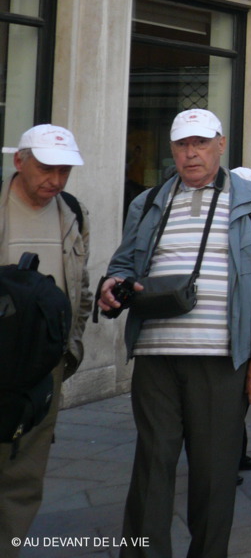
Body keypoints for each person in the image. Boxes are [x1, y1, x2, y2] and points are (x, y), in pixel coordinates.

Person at [98, 108, 251, 558]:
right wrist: (112, 283)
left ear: (220, 144)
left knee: (214, 473)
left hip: (221, 359)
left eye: (200, 143)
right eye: (182, 145)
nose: (191, 153)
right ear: (172, 150)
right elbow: (123, 263)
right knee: (151, 466)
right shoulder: (148, 202)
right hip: (155, 355)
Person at [0, 125, 89, 545]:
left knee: (25, 472)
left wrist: (69, 343)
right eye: (46, 168)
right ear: (20, 161)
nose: (55, 180)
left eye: (64, 171)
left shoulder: (73, 211)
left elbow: (81, 286)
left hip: (43, 366)